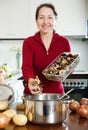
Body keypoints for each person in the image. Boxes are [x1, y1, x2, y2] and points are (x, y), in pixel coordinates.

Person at [21, 3, 71, 95]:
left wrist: (69, 69)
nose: (45, 22)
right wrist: (31, 80)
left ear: (55, 20)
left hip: (57, 95)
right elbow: (26, 67)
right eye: (41, 17)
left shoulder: (64, 42)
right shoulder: (29, 42)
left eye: (50, 17)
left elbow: (69, 67)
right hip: (34, 94)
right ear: (36, 21)